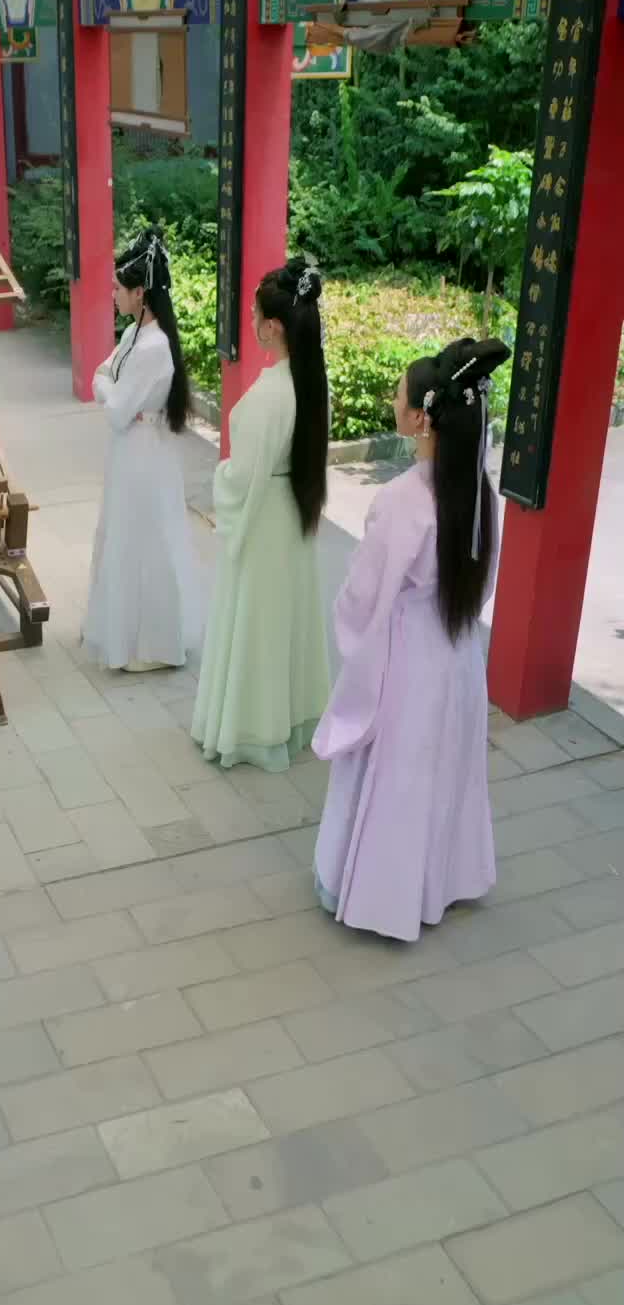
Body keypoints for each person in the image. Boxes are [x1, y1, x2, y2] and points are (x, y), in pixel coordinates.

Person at [313, 334, 510, 941]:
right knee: (446, 769)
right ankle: (441, 882)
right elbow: (481, 587)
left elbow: (365, 596)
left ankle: (385, 896)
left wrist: (354, 634)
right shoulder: (478, 494)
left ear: (422, 418)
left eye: (398, 395)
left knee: (400, 777)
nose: (393, 401)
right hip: (458, 653)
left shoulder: (401, 500)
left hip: (408, 659)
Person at [191, 257, 331, 770]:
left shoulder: (270, 394)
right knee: (286, 621)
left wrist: (221, 479)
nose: (250, 322)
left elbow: (242, 476)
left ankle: (251, 729)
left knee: (256, 623)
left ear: (273, 326)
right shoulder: (312, 382)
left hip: (264, 516)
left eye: (255, 315)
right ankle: (288, 720)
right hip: (292, 514)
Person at [82, 227, 201, 673]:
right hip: (130, 448)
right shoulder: (134, 333)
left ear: (140, 293)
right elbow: (103, 379)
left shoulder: (153, 346)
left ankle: (155, 644)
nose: (113, 294)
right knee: (126, 536)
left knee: (146, 541)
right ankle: (131, 636)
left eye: (118, 288)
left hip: (144, 452)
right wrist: (109, 389)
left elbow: (115, 409)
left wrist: (109, 390)